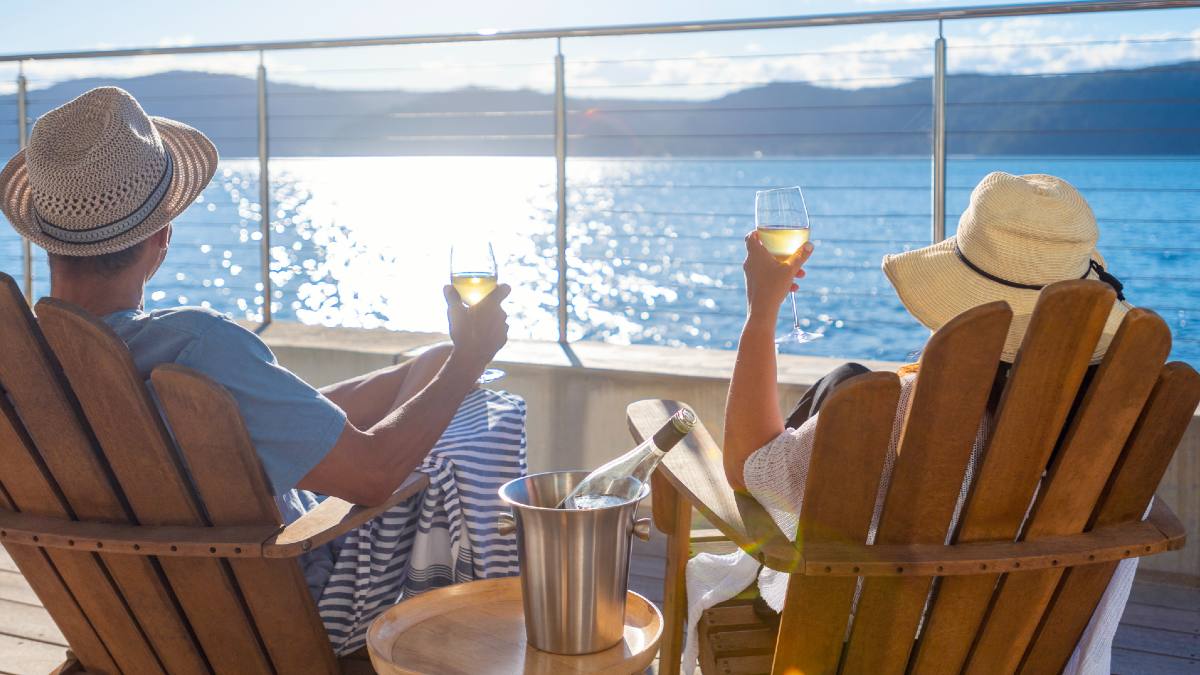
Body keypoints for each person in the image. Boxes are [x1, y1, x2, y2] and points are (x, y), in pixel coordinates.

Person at [0, 86, 525, 654]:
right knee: (479, 408)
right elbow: (373, 478)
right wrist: (471, 355)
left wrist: (402, 382)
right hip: (282, 611)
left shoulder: (24, 366)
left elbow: (219, 432)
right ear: (161, 239)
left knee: (426, 368)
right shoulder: (197, 346)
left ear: (45, 241)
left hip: (121, 622)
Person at [687, 172, 1134, 674]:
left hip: (863, 644)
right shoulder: (1111, 423)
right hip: (1018, 649)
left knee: (848, 396)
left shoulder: (910, 413)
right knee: (847, 381)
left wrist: (761, 312)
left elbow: (749, 467)